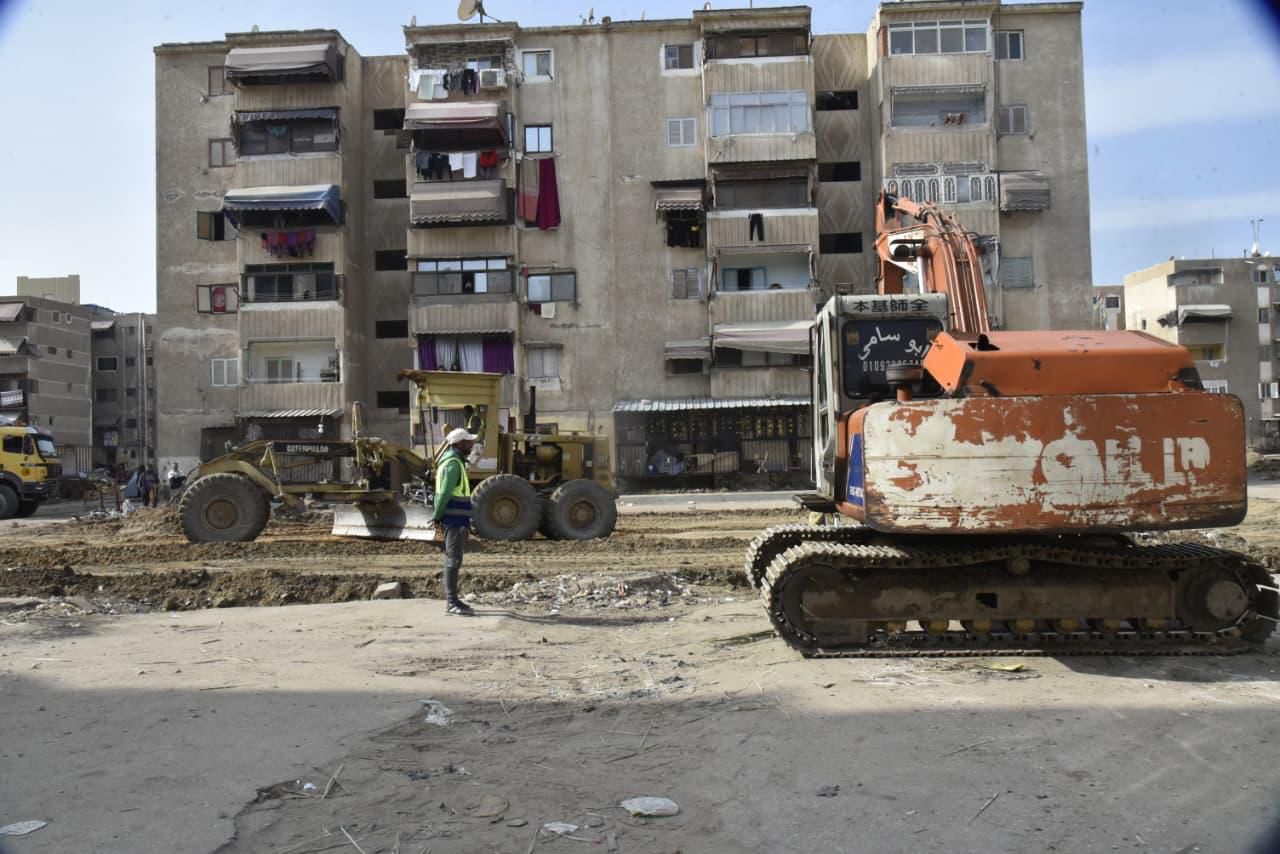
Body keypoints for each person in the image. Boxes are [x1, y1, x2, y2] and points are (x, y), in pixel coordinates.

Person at [434, 428, 478, 616]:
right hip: (454, 519)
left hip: (457, 518)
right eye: (468, 442)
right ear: (459, 444)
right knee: (453, 559)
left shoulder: (454, 462)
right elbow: (444, 493)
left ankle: (454, 600)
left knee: (455, 558)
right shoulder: (453, 464)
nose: (472, 445)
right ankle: (451, 603)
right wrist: (437, 516)